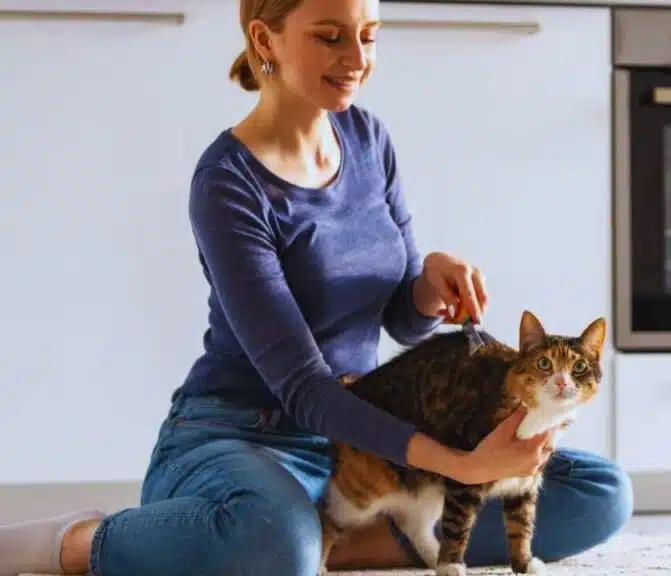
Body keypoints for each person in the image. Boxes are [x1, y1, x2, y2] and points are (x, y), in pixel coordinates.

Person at [0, 0, 633, 574]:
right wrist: (462, 466)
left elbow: (400, 323)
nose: (357, 60)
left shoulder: (367, 138)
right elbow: (304, 389)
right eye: (331, 37)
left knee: (597, 495)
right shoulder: (228, 182)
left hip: (366, 431)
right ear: (265, 39)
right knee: (272, 541)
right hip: (245, 433)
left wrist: (426, 288)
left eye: (369, 36)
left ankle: (329, 541)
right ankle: (85, 541)